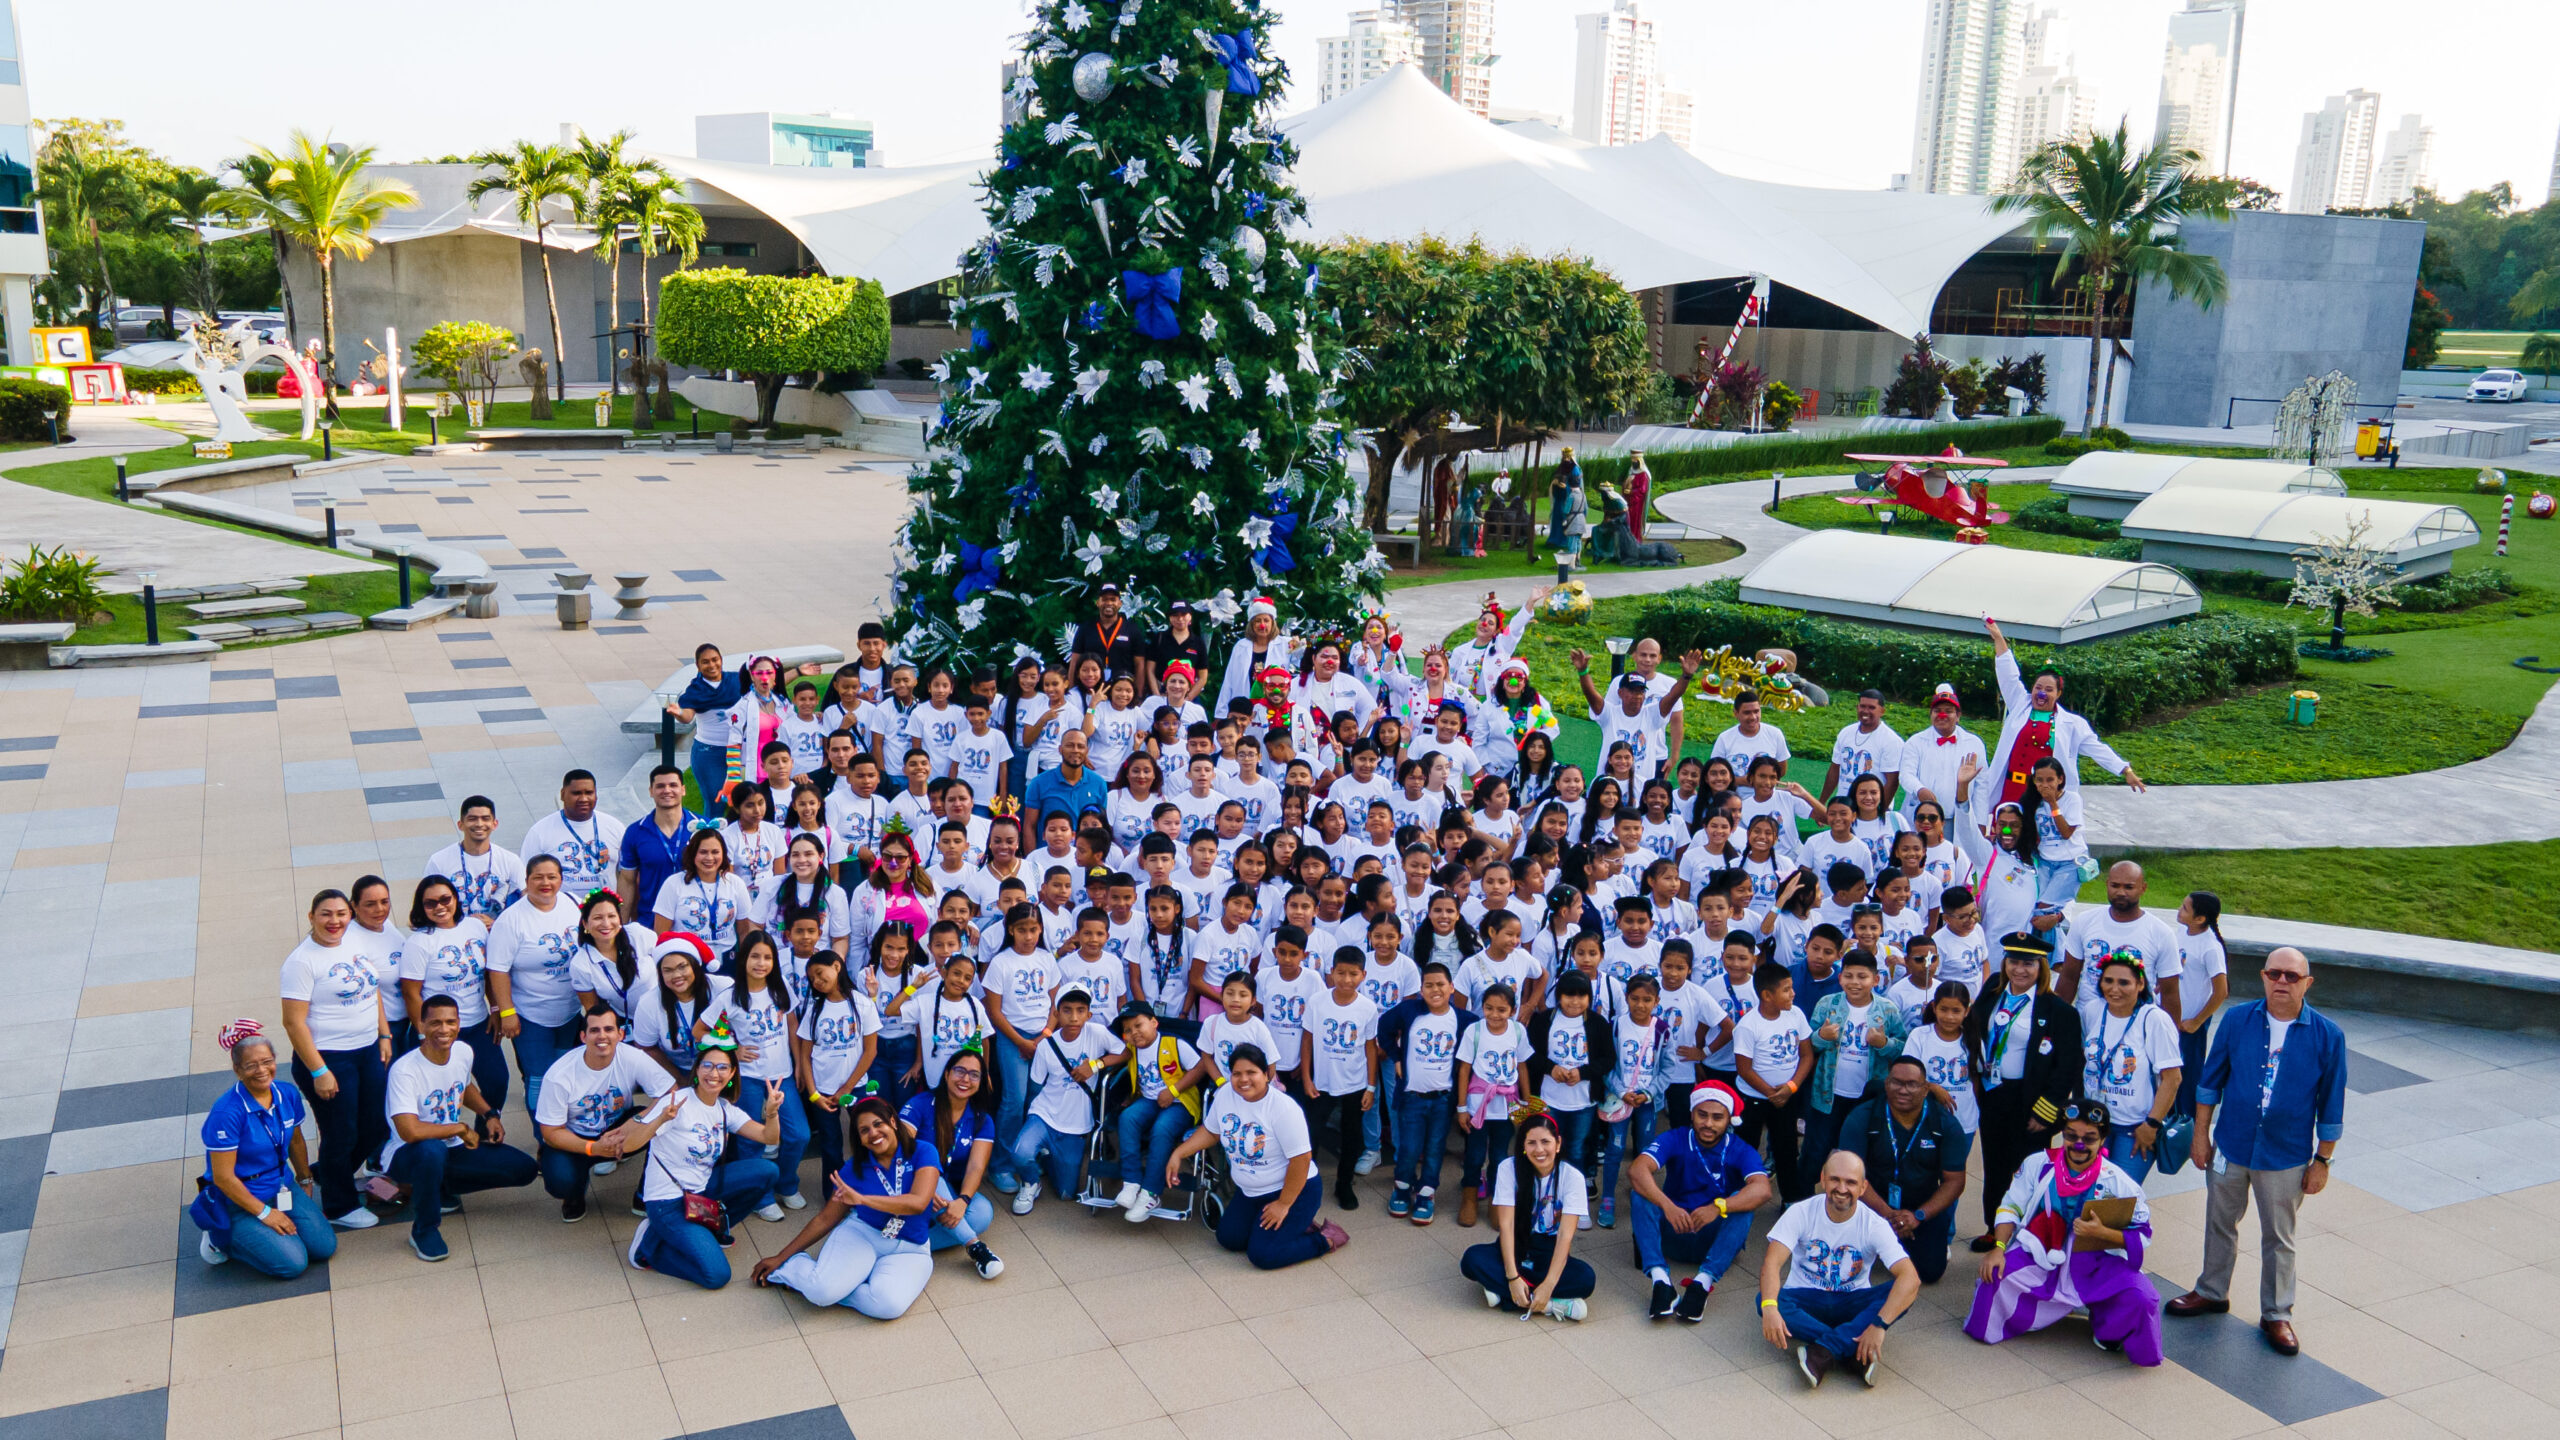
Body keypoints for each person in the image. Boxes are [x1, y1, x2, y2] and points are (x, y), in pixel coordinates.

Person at [2168, 946, 2347, 1357]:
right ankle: (2211, 1291)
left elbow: (2332, 1105)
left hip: (2286, 1155)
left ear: (2308, 983)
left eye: (2291, 976)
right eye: (2274, 974)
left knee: (2279, 1236)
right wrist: (2201, 1135)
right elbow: (2209, 1082)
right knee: (2219, 1221)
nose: (2281, 982)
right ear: (2263, 977)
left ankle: (2277, 1314)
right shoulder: (2237, 1020)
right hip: (2231, 1144)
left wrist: (2322, 1161)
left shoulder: (2327, 1036)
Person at [1964, 1101, 2161, 1364]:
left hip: (2096, 1262)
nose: (2079, 1145)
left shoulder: (2118, 1181)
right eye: (2071, 1136)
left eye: (2089, 1139)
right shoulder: (2038, 1163)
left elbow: (2142, 1234)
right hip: (2041, 1252)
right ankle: (2024, 1315)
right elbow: (2010, 1206)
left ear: (2103, 1139)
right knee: (1993, 1279)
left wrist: (2103, 1233)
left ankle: (2107, 1330)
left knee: (2142, 1298)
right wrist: (1998, 1249)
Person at [380, 995, 539, 1262]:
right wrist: (461, 1129)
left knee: (524, 1169)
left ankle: (437, 1186)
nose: (444, 1029)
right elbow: (409, 1131)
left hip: (450, 1149)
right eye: (436, 1023)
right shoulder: (405, 1070)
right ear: (421, 1024)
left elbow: (463, 1087)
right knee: (431, 1152)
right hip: (408, 1153)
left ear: (458, 1023)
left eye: (450, 1022)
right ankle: (424, 1230)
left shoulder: (463, 1051)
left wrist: (489, 1114)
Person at [623, 1034, 788, 1288]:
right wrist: (660, 1120)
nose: (715, 1073)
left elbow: (769, 1137)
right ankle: (647, 1249)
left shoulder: (723, 1108)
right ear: (697, 1070)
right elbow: (630, 1145)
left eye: (723, 1067)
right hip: (667, 1201)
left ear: (732, 1073)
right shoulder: (676, 1103)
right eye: (708, 1065)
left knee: (766, 1171)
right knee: (716, 1276)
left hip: (701, 1191)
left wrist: (772, 1113)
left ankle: (713, 1229)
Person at [753, 1096, 940, 1320]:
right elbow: (825, 1219)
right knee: (820, 1293)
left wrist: (863, 1199)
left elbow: (918, 1203)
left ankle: (840, 1283)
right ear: (859, 1139)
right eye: (864, 1130)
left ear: (893, 1122)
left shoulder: (923, 1151)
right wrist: (781, 1257)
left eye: (878, 1124)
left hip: (910, 1248)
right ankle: (794, 1269)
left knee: (888, 1307)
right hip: (864, 1235)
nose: (873, 1133)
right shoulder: (853, 1169)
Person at [1166, 1044, 1349, 1268]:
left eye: (1251, 1072)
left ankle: (1325, 1238)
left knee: (1263, 1255)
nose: (1244, 1080)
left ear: (1266, 1074)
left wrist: (1283, 1204)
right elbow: (1212, 1131)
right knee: (1229, 1239)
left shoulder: (1283, 1109)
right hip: (1251, 1192)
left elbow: (1301, 1160)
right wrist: (1179, 1153)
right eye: (1237, 1074)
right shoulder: (1225, 1095)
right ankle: (1291, 1226)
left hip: (1293, 1190)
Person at [1757, 1151, 1923, 1389]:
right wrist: (1770, 1308)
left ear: (1863, 1187)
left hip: (1852, 1300)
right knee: (1765, 1301)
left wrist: (1878, 1326)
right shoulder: (1800, 1212)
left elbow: (1910, 1278)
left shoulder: (1874, 1225)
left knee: (1902, 1293)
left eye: (1851, 1182)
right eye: (1835, 1179)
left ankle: (1824, 1351)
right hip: (1806, 1298)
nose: (1842, 1188)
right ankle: (1852, 1348)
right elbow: (1771, 1264)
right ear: (1823, 1179)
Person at [278, 888, 390, 1231]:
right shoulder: (302, 961)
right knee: (340, 1132)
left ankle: (329, 1171)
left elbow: (373, 990)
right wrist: (319, 1070)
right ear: (311, 917)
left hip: (367, 1049)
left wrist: (384, 1034)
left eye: (341, 913)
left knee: (376, 1125)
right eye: (326, 914)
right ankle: (339, 1204)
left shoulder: (354, 942)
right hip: (329, 1058)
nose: (334, 921)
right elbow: (293, 1022)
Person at [1963, 934, 2084, 1251]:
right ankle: (1994, 1227)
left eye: (2028, 963)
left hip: (2030, 1101)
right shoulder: (1991, 991)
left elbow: (2068, 1066)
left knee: (2027, 1170)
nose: (2019, 969)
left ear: (2041, 967)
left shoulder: (2058, 1011)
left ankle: (2026, 1232)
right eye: (2014, 961)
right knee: (1995, 1165)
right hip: (1993, 1093)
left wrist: (2046, 1111)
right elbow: (1974, 1030)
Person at [191, 1020, 337, 1277]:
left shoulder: (287, 1094)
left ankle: (271, 1233)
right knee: (293, 1263)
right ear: (237, 1070)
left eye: (267, 1061)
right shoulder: (227, 1112)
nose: (261, 1070)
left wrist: (304, 1178)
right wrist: (266, 1213)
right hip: (238, 1197)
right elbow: (224, 1177)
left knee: (324, 1247)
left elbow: (295, 1140)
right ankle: (219, 1238)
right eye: (251, 1065)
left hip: (281, 1185)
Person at [1629, 1081, 1772, 1322]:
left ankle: (1701, 1284)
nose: (1708, 1123)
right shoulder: (1675, 1138)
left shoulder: (1740, 1149)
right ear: (1692, 1114)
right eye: (1702, 1115)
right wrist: (1668, 1206)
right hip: (1674, 1229)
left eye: (1717, 1117)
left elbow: (1763, 1190)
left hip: (1714, 1241)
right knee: (1640, 1193)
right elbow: (1637, 1170)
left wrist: (1719, 1207)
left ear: (1729, 1120)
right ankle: (1661, 1282)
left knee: (1743, 1205)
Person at [1981, 617, 2145, 809]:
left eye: (2049, 690)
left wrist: (2125, 769)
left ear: (2058, 694)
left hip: (2045, 794)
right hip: (2012, 789)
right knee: (2009, 835)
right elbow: (2008, 674)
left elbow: (2097, 749)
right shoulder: (2019, 704)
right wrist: (1998, 638)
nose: (2042, 693)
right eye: (2038, 687)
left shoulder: (2072, 724)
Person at [534, 1002, 676, 1223]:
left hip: (619, 1129)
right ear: (583, 1037)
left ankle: (645, 1194)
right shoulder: (559, 1075)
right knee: (561, 1180)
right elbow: (550, 1132)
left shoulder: (632, 1056)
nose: (602, 1036)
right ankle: (574, 1193)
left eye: (609, 1029)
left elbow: (671, 1094)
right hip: (576, 1138)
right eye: (594, 1030)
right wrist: (594, 1148)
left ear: (620, 1034)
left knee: (664, 1125)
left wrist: (636, 1121)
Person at [1836, 1057, 1969, 1283]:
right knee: (1842, 1268)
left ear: (1926, 1089)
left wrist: (1918, 1216)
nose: (1903, 1090)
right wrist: (1888, 1215)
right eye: (1896, 1082)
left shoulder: (1945, 1124)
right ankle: (1876, 1238)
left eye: (1912, 1084)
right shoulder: (1862, 1117)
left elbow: (1954, 1182)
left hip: (1920, 1207)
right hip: (1870, 1203)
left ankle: (1902, 1238)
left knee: (1929, 1272)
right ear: (1886, 1084)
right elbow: (1849, 1177)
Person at [1459, 1107, 1595, 1320]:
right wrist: (1513, 1277)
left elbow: (1565, 1236)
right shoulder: (1508, 1168)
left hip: (1549, 1250)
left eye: (1546, 1142)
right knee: (1471, 1260)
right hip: (1517, 1244)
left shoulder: (1572, 1177)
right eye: (1531, 1142)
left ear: (1558, 1144)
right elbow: (1506, 1226)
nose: (1539, 1150)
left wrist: (1549, 1284)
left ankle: (1508, 1295)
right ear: (1522, 1146)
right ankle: (1550, 1306)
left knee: (1586, 1279)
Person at [899, 1043, 1007, 1277]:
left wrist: (963, 1201)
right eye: (960, 1071)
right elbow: (901, 1151)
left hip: (951, 1191)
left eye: (974, 1074)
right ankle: (975, 1247)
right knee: (930, 1169)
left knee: (982, 1213)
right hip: (912, 1184)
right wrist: (926, 1189)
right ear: (947, 1073)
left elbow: (977, 1166)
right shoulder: (919, 1104)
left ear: (980, 1082)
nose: (965, 1079)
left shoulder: (982, 1120)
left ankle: (904, 1243)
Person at [2077, 957, 2183, 1181]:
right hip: (2094, 1123)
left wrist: (2151, 1125)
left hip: (2134, 1128)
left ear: (2140, 984)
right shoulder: (2092, 1011)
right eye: (2108, 981)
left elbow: (2172, 1079)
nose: (2114, 989)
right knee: (2087, 1194)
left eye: (2124, 982)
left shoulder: (2154, 1020)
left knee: (2117, 1200)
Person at [1110, 1001, 1202, 1221]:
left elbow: (1200, 1068)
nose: (1134, 1033)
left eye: (1138, 1025)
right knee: (1128, 1118)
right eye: (1128, 1030)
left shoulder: (1174, 1043)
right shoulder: (1132, 1048)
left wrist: (1174, 1090)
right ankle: (1131, 1182)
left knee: (1162, 1129)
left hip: (1180, 1102)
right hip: (1149, 1099)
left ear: (1154, 1022)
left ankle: (1151, 1192)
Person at [520, 769, 623, 903]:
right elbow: (526, 881)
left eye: (589, 793)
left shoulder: (615, 827)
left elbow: (628, 876)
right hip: (560, 913)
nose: (583, 799)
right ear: (563, 795)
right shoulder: (540, 831)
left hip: (604, 912)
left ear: (596, 795)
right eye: (576, 793)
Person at [619, 764, 707, 921]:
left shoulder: (702, 827)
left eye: (673, 785)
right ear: (651, 791)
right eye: (660, 786)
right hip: (650, 921)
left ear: (683, 790)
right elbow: (627, 881)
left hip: (695, 921)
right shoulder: (635, 832)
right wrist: (621, 927)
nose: (667, 790)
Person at [665, 642, 744, 811]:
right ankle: (711, 836)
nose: (712, 665)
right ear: (698, 666)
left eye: (715, 660)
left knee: (744, 801)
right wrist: (677, 712)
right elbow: (687, 717)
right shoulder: (695, 690)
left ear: (721, 660)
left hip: (739, 751)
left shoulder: (737, 680)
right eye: (705, 662)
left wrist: (797, 672)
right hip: (709, 753)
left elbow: (768, 684)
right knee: (716, 801)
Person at [1897, 683, 1984, 821]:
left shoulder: (1974, 743)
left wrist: (1981, 821)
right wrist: (1919, 789)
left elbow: (1982, 785)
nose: (1942, 715)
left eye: (1948, 711)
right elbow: (1906, 775)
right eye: (1937, 711)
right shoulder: (1916, 742)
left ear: (1958, 715)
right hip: (1921, 817)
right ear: (1931, 714)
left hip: (1958, 820)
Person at [1821, 690, 1903, 807]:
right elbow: (1834, 769)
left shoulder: (1891, 741)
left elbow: (1892, 782)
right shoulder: (1846, 732)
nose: (1865, 711)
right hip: (1845, 806)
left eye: (1871, 707)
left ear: (1882, 711)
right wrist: (1822, 802)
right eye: (1862, 706)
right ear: (1857, 707)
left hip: (1871, 808)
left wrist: (1879, 812)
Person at [1073, 582, 1143, 683]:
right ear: (1097, 602)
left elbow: (1139, 664)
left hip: (1122, 690)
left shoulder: (1132, 629)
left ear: (1120, 603)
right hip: (1092, 688)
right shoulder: (1085, 628)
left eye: (1113, 599)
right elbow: (1075, 662)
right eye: (1104, 599)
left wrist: (1139, 695)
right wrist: (1071, 691)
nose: (1109, 603)